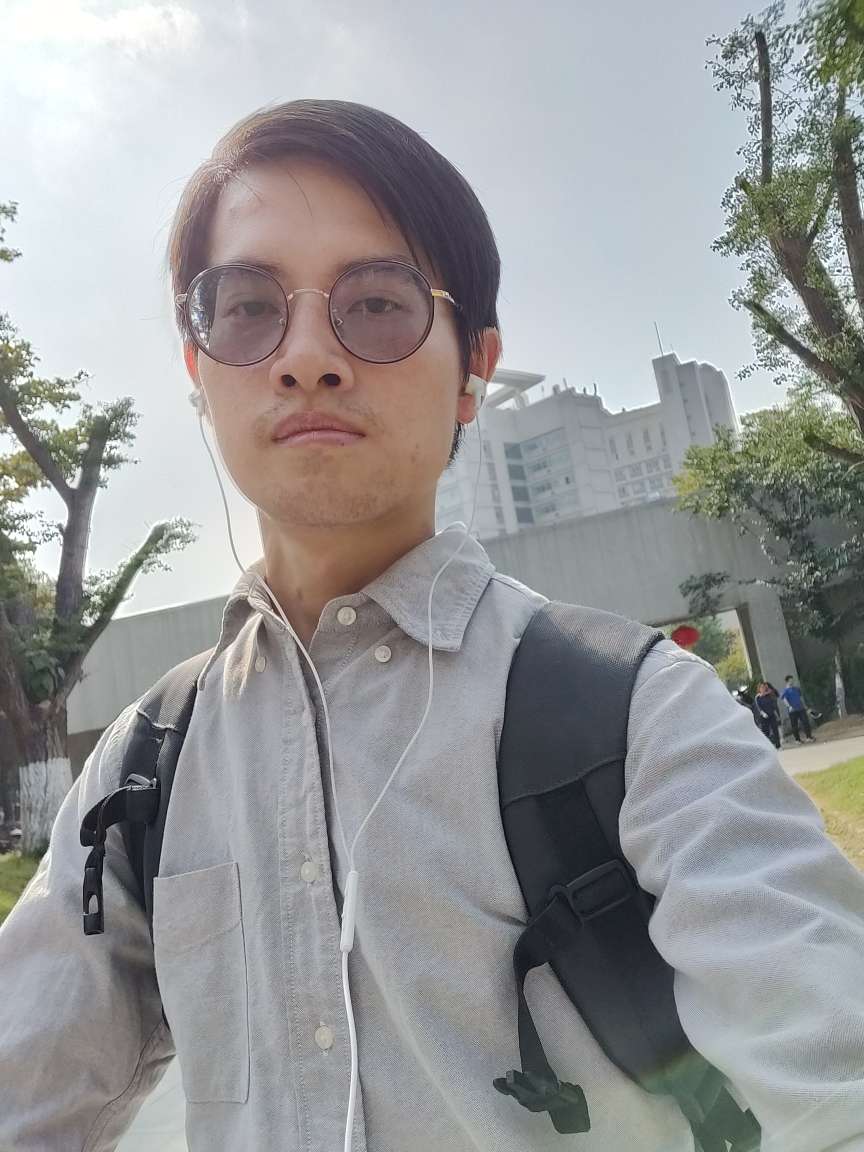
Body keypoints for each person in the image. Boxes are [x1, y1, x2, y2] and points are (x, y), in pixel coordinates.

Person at [1, 100, 863, 1152]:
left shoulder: (639, 717)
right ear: (198, 368)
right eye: (248, 307)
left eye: (376, 303)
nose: (306, 358)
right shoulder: (144, 769)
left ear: (472, 372)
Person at [782, 674, 816, 743]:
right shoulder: (785, 691)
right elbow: (784, 699)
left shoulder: (796, 689)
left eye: (792, 680)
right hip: (792, 711)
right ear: (787, 681)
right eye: (790, 680)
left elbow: (800, 698)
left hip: (801, 708)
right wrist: (789, 706)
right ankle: (797, 740)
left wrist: (805, 706)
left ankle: (808, 737)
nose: (792, 681)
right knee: (794, 725)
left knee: (805, 722)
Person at [754, 681, 781, 749]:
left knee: (775, 730)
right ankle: (768, 746)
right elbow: (758, 707)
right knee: (766, 732)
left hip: (771, 714)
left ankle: (778, 745)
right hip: (764, 716)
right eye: (761, 687)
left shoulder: (769, 695)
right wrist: (762, 713)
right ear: (759, 689)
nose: (763, 688)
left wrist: (775, 713)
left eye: (764, 687)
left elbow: (774, 701)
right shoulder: (757, 697)